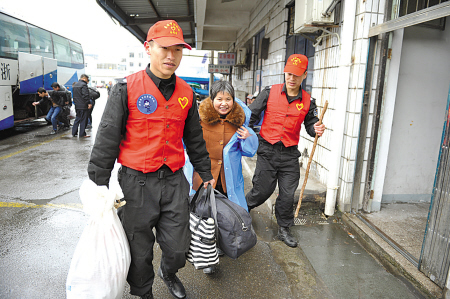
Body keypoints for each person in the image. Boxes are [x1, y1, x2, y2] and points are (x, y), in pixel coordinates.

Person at [87, 20, 215, 299]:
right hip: (136, 183)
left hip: (173, 181)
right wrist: (98, 183)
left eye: (178, 50)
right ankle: (143, 292)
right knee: (138, 247)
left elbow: (194, 138)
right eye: (164, 49)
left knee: (178, 246)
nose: (171, 56)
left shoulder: (187, 93)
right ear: (148, 48)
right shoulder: (126, 88)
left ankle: (169, 271)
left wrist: (205, 172)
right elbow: (107, 137)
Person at [245, 54, 325, 248]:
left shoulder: (307, 101)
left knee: (288, 194)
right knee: (262, 190)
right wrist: (246, 132)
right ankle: (241, 210)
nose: (291, 78)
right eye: (288, 74)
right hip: (267, 150)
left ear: (304, 75)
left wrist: (316, 128)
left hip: (289, 153)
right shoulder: (268, 92)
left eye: (296, 75)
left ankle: (284, 229)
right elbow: (251, 116)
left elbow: (310, 124)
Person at [190, 80, 258, 274]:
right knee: (206, 217)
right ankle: (208, 257)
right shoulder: (199, 120)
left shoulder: (239, 122)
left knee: (226, 215)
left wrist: (249, 137)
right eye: (219, 98)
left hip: (228, 179)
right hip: (203, 177)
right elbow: (188, 145)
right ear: (212, 100)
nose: (223, 103)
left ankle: (226, 243)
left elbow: (250, 151)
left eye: (228, 99)